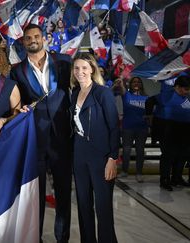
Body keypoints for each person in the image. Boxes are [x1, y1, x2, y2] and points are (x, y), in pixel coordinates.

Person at [10, 24, 73, 243]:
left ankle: (62, 238)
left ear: (44, 38)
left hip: (63, 139)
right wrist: (18, 110)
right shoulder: (16, 70)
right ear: (23, 42)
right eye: (28, 38)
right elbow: (15, 104)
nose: (33, 40)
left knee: (63, 194)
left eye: (36, 36)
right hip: (34, 140)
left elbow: (79, 87)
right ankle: (35, 238)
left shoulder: (64, 62)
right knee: (34, 196)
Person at [70, 52, 119, 243]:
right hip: (79, 156)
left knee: (103, 207)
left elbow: (114, 127)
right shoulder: (74, 93)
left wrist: (112, 158)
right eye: (76, 68)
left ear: (92, 69)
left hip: (101, 157)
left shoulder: (102, 92)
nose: (80, 72)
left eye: (84, 67)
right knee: (83, 205)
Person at [145, 75, 190, 191]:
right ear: (178, 87)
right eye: (186, 89)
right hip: (168, 128)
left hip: (185, 129)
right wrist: (149, 117)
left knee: (182, 155)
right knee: (169, 155)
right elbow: (150, 101)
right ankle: (165, 179)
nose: (187, 92)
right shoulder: (167, 94)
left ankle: (177, 178)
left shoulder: (187, 96)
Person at [115, 77, 149, 182]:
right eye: (134, 81)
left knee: (140, 151)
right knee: (126, 150)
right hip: (128, 127)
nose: (136, 83)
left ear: (141, 84)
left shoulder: (146, 97)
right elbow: (119, 87)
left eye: (139, 82)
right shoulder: (126, 95)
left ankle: (139, 173)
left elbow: (149, 112)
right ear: (130, 84)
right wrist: (120, 80)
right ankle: (124, 171)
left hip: (142, 128)